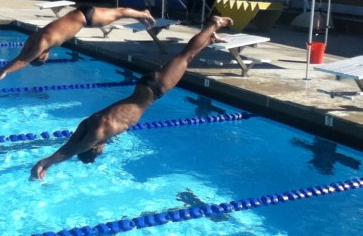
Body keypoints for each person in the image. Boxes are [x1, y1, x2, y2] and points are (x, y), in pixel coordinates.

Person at [30, 15, 234, 179]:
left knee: (185, 56)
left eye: (98, 151)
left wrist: (45, 162)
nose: (102, 150)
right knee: (185, 59)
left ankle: (214, 24)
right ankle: (209, 39)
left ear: (93, 148)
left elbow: (71, 150)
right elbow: (71, 143)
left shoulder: (98, 133)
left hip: (156, 89)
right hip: (144, 87)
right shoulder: (89, 124)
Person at [0, 6, 156, 83]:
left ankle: (143, 13)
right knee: (119, 12)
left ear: (40, 56)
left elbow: (24, 60)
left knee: (120, 13)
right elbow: (22, 56)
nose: (48, 56)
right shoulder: (34, 38)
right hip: (80, 13)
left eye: (44, 58)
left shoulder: (42, 43)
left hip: (87, 18)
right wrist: (5, 68)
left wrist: (5, 71)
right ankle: (142, 15)